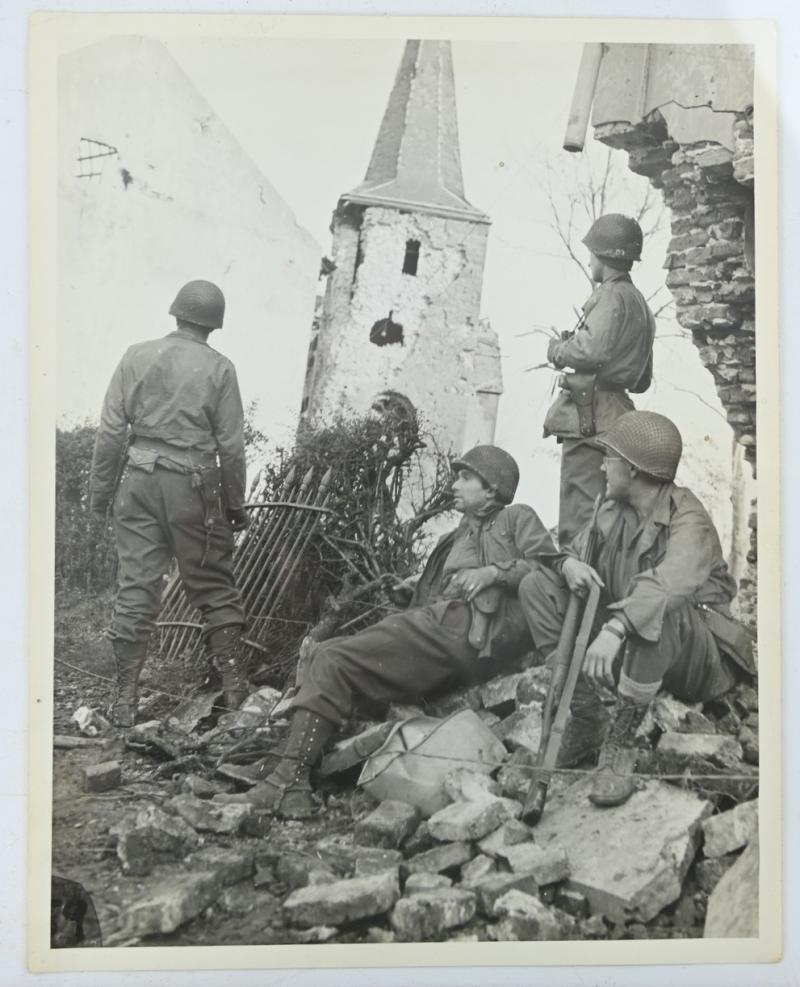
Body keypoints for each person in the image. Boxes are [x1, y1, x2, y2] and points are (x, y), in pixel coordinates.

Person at [222, 445, 564, 819]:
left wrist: (493, 574)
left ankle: (287, 783)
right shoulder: (457, 535)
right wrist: (412, 593)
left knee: (337, 659)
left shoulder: (517, 517)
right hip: (446, 627)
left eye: (466, 477)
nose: (454, 484)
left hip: (471, 630)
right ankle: (283, 765)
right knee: (325, 652)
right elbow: (438, 594)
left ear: (492, 489)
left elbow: (546, 569)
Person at [518, 411, 752, 808]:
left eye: (608, 458)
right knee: (537, 586)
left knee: (661, 607)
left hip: (695, 658)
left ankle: (621, 740)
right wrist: (567, 564)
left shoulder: (689, 517)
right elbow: (575, 554)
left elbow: (669, 585)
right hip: (632, 649)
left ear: (631, 469)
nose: (601, 466)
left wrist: (616, 628)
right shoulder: (610, 510)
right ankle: (589, 717)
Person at [89, 280, 251, 727]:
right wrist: (234, 506)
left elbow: (109, 433)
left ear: (176, 312)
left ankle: (123, 703)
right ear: (214, 323)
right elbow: (231, 448)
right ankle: (237, 697)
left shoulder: (135, 355)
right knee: (214, 587)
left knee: (137, 588)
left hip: (137, 482)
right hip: (193, 486)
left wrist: (100, 497)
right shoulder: (220, 368)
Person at [543, 213, 656, 547]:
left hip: (587, 417)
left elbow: (589, 352)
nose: (589, 260)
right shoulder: (641, 305)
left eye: (592, 253)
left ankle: (571, 592)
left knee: (577, 520)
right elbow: (642, 380)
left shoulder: (610, 296)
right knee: (607, 522)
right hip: (618, 419)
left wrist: (558, 350)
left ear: (602, 256)